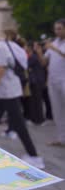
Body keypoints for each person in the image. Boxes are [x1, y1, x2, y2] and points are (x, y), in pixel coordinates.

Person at [0, 21, 44, 169]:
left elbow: (0, 70)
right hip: (5, 91)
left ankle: (35, 157)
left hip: (7, 91)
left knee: (18, 124)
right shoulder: (3, 44)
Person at [36, 18, 65, 147]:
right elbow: (44, 62)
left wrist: (53, 48)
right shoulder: (55, 42)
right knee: (57, 111)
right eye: (55, 29)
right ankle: (61, 138)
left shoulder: (55, 46)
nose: (56, 31)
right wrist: (39, 52)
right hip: (53, 81)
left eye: (59, 28)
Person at [26, 42, 46, 125]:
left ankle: (39, 120)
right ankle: (35, 119)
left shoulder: (33, 57)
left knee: (37, 101)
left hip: (36, 81)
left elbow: (27, 65)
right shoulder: (32, 56)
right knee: (34, 101)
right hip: (34, 81)